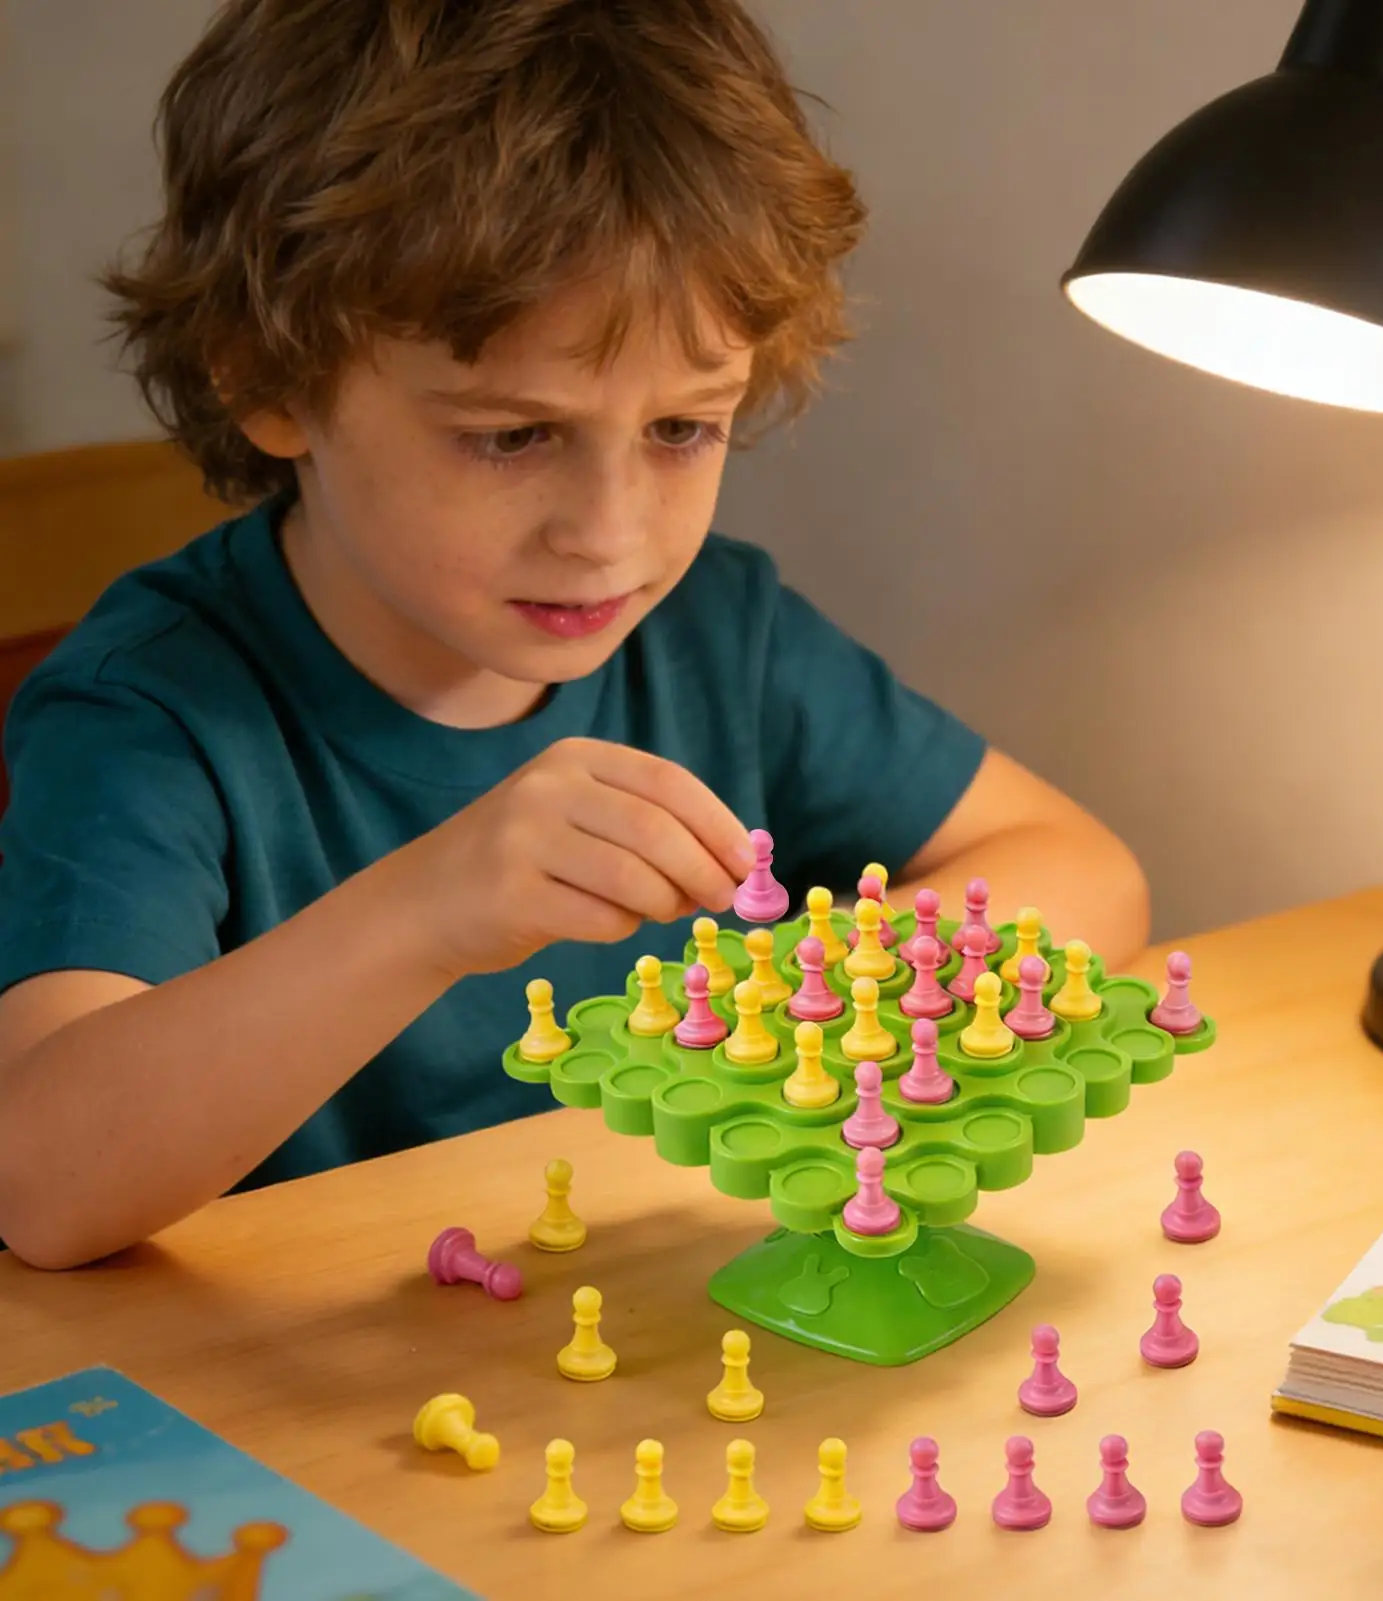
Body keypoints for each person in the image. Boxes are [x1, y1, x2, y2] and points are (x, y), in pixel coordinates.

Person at [0, 0, 1148, 1271]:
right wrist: (431, 906)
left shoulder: (716, 626)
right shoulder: (147, 707)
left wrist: (811, 1002)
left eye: (680, 430)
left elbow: (1080, 869)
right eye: (511, 435)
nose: (609, 536)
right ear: (268, 382)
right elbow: (46, 1185)